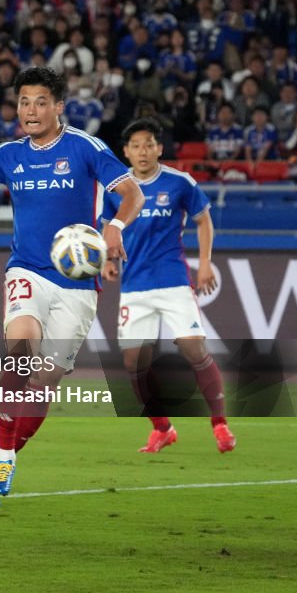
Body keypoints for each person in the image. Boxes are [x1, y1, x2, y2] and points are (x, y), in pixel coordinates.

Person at [0, 66, 144, 507]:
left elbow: (132, 193)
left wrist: (116, 225)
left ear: (60, 107)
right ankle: (5, 457)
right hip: (27, 271)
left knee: (43, 385)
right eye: (24, 102)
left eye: (41, 102)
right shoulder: (9, 154)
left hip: (78, 285)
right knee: (20, 349)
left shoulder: (85, 148)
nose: (31, 110)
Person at [102, 118, 236, 454]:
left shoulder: (180, 183)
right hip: (134, 286)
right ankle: (162, 429)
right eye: (135, 145)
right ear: (126, 151)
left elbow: (203, 220)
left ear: (160, 148)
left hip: (173, 280)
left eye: (149, 144)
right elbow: (108, 229)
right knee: (134, 365)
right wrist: (107, 259)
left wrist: (204, 263)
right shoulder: (114, 189)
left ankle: (220, 425)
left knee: (194, 349)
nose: (143, 151)